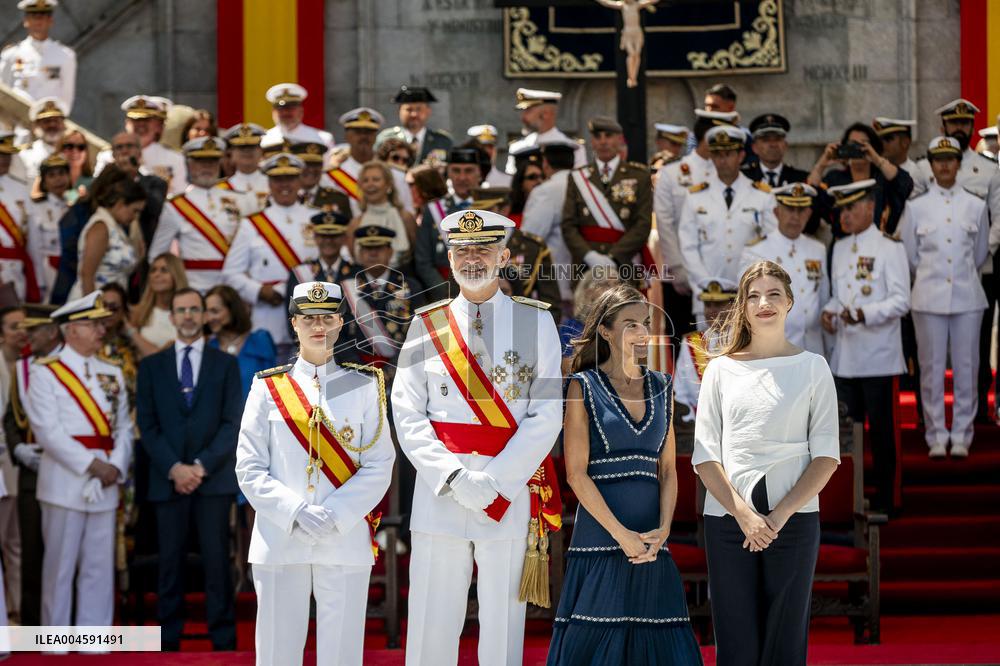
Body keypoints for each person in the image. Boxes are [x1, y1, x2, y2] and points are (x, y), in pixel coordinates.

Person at [392, 209, 562, 666]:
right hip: (441, 491)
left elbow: (547, 411)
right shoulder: (425, 324)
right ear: (449, 260)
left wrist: (495, 481)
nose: (472, 258)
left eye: (483, 249)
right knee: (431, 620)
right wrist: (453, 477)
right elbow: (406, 413)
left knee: (504, 625)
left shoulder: (537, 322)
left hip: (505, 493)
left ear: (504, 256)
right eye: (462, 250)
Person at [236, 280, 394, 666]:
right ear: (294, 324)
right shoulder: (267, 387)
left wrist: (335, 513)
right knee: (276, 652)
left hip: (343, 536)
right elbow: (249, 466)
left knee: (341, 653)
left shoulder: (364, 385)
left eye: (327, 317)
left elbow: (379, 463)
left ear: (341, 322)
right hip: (280, 535)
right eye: (309, 318)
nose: (318, 326)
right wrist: (295, 512)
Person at [693, 260, 840, 666]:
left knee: (785, 639)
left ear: (790, 302)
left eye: (774, 294)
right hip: (727, 521)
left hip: (793, 521)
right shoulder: (720, 370)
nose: (764, 303)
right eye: (753, 295)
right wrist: (743, 515)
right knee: (736, 641)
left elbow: (826, 454)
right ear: (742, 305)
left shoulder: (813, 367)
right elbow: (705, 455)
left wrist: (778, 517)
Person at [547, 284, 702, 665]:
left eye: (645, 324)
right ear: (606, 331)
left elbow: (667, 469)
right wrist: (622, 536)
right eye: (630, 325)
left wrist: (664, 529)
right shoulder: (583, 386)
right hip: (601, 538)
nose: (642, 333)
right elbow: (576, 475)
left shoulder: (663, 387)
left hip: (652, 540)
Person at [136, 287, 241, 651]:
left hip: (212, 479)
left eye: (195, 309)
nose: (188, 316)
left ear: (204, 315)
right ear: (172, 317)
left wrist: (199, 466)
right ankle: (168, 639)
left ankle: (224, 638)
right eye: (181, 310)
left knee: (216, 562)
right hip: (168, 480)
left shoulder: (225, 365)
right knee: (170, 562)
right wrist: (175, 468)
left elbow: (232, 423)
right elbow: (147, 425)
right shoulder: (151, 367)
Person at [25, 291, 132, 627]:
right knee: (59, 566)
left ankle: (94, 642)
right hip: (65, 480)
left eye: (101, 324)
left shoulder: (112, 371)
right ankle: (56, 645)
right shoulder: (45, 372)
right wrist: (93, 465)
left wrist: (115, 464)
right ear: (71, 330)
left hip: (107, 479)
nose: (101, 330)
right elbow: (47, 432)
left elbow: (126, 426)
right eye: (92, 324)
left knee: (98, 567)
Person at [821, 180, 909, 514]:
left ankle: (889, 500)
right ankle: (852, 499)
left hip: (879, 358)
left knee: (883, 435)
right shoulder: (840, 247)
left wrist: (865, 313)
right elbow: (837, 295)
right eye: (842, 209)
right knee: (846, 434)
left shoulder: (890, 247)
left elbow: (902, 300)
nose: (845, 215)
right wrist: (829, 313)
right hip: (845, 358)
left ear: (870, 208)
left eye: (851, 207)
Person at [900, 137, 989, 458]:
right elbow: (910, 256)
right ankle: (936, 435)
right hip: (928, 297)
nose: (945, 165)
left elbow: (979, 255)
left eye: (951, 159)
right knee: (931, 368)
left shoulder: (976, 205)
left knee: (967, 366)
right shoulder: (916, 207)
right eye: (939, 160)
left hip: (967, 297)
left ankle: (962, 435)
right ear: (931, 165)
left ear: (959, 163)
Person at [917, 100, 999, 425]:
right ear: (943, 128)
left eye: (965, 124)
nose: (960, 129)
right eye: (954, 124)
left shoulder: (990, 169)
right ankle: (930, 419)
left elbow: (997, 220)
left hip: (981, 271)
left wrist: (975, 258)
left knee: (975, 347)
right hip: (934, 273)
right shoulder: (924, 169)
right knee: (933, 353)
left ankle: (977, 413)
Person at [654, 110, 739, 349]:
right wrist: (679, 269)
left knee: (727, 343)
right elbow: (665, 224)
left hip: (724, 274)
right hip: (681, 278)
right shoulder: (672, 173)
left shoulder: (730, 174)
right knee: (686, 346)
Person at [222, 153, 318, 360]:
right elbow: (230, 273)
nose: (284, 185)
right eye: (277, 179)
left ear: (300, 180)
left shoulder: (317, 220)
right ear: (269, 183)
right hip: (268, 317)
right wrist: (259, 291)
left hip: (312, 314)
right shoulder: (252, 224)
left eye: (290, 178)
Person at [3, 303, 60, 627]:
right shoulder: (22, 368)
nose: (26, 335)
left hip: (64, 465)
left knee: (64, 552)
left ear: (51, 332)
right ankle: (32, 626)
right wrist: (18, 448)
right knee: (30, 550)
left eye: (33, 330)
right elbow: (11, 417)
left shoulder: (66, 367)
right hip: (30, 470)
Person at [678, 125, 778, 295]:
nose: (722, 160)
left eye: (728, 154)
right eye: (717, 154)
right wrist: (707, 284)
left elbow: (773, 242)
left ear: (741, 156)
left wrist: (758, 282)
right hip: (708, 294)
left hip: (751, 291)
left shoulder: (762, 195)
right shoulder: (695, 196)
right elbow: (688, 246)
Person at [740, 183, 829, 354]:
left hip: (813, 347)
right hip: (775, 350)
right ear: (776, 212)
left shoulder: (817, 249)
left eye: (801, 210)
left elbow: (823, 298)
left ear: (809, 214)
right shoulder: (756, 251)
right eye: (789, 209)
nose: (795, 216)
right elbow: (747, 304)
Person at [561, 116, 653, 279]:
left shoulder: (640, 176)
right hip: (585, 267)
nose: (603, 142)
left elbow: (643, 224)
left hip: (624, 265)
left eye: (608, 136)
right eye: (598, 137)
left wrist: (614, 257)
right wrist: (590, 257)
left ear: (619, 139)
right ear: (592, 142)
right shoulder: (577, 177)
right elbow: (568, 225)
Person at [149, 136, 244, 292]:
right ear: (190, 165)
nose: (207, 167)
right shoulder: (175, 206)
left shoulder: (238, 199)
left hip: (234, 288)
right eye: (200, 161)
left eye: (212, 161)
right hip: (194, 289)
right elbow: (157, 254)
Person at [808, 121, 913, 236]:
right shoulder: (835, 178)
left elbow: (905, 185)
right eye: (852, 144)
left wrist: (877, 159)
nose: (857, 148)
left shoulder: (883, 178)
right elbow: (811, 198)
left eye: (863, 144)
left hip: (879, 246)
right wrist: (821, 165)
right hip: (844, 246)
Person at [339, 225, 416, 370]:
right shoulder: (345, 289)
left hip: (400, 368)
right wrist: (356, 365)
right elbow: (336, 335)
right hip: (354, 368)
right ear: (360, 253)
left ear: (390, 251)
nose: (373, 253)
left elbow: (419, 331)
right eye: (367, 248)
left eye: (379, 248)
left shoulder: (410, 285)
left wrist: (393, 366)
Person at [413, 146, 485, 301]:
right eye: (456, 171)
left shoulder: (492, 208)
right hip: (445, 296)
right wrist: (447, 293)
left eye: (469, 170)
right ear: (448, 173)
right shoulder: (433, 210)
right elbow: (423, 261)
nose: (462, 177)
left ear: (480, 173)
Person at [521, 140, 578, 309]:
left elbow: (530, 238)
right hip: (587, 280)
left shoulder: (546, 191)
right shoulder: (587, 187)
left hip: (555, 283)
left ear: (545, 163)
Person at [69, 175, 146, 299]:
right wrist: (93, 310)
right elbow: (87, 275)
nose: (135, 217)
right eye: (135, 210)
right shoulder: (101, 227)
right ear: (121, 204)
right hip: (94, 302)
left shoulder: (115, 227)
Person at [327, 108, 413, 217]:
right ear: (347, 136)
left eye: (369, 132)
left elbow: (408, 213)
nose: (364, 137)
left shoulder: (395, 175)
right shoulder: (333, 174)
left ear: (375, 136)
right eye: (358, 132)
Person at [95, 96, 188, 196]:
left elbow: (180, 196)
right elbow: (98, 190)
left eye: (147, 120)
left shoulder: (175, 159)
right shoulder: (107, 157)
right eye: (136, 119)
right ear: (127, 124)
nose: (141, 125)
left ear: (159, 126)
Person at [674, 278, 736, 421]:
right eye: (708, 305)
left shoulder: (748, 341)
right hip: (699, 426)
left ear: (735, 306)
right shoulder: (691, 343)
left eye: (719, 304)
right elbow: (681, 392)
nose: (712, 311)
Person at [0, 0, 76, 111]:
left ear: (50, 21)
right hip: (19, 124)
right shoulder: (11, 54)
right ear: (26, 21)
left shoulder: (65, 55)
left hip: (48, 121)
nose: (38, 21)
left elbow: (67, 96)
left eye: (43, 16)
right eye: (34, 16)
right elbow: (3, 91)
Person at [205, 284, 277, 400]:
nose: (209, 318)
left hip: (258, 415)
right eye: (206, 312)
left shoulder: (260, 341)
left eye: (215, 311)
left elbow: (275, 387)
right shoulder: (209, 348)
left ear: (232, 310)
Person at [0, 306, 26, 623]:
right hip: (3, 460)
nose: (22, 331)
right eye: (14, 325)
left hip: (17, 464)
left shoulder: (25, 365)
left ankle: (18, 611)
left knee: (16, 540)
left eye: (25, 325)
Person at [104, 132, 169, 248]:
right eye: (119, 147)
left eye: (129, 146)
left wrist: (132, 177)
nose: (124, 151)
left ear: (139, 152)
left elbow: (155, 208)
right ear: (113, 155)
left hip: (144, 251)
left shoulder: (156, 183)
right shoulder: (104, 184)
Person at [0, 132, 41, 303]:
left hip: (17, 272)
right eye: (1, 155)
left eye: (8, 155)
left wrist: (39, 279)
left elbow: (33, 239)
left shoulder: (21, 189)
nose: (5, 160)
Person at [352, 160, 415, 268]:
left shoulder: (405, 218)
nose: (370, 184)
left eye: (376, 179)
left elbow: (417, 256)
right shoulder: (355, 223)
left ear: (388, 184)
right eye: (365, 180)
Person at [507, 88, 586, 173]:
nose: (523, 118)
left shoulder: (573, 148)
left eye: (528, 111)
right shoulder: (517, 148)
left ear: (546, 114)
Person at [28, 153, 70, 302]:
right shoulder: (37, 209)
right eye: (51, 175)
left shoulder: (72, 208)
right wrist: (39, 282)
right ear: (44, 182)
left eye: (62, 173)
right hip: (48, 272)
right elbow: (34, 249)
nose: (58, 179)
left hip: (70, 270)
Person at [128, 253, 186, 358]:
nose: (156, 274)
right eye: (153, 270)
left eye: (164, 270)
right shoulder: (138, 312)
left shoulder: (188, 313)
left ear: (176, 275)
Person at [378, 85, 453, 165]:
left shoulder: (443, 141)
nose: (414, 114)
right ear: (399, 111)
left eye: (419, 109)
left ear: (428, 111)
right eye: (409, 109)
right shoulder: (385, 139)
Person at [261, 83, 335, 154]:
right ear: (273, 112)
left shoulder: (323, 139)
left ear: (301, 111)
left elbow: (328, 166)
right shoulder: (263, 140)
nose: (286, 112)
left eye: (291, 108)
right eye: (281, 109)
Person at [742, 114, 809, 187]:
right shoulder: (744, 178)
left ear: (785, 146)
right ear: (754, 148)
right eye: (766, 140)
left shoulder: (801, 179)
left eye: (778, 139)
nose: (773, 144)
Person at [218, 122, 269, 214]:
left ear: (261, 151)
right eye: (241, 147)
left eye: (252, 147)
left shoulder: (273, 185)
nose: (247, 151)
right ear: (231, 153)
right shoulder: (221, 189)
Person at [16, 96, 67, 182]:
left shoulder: (72, 153)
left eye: (56, 121)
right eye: (47, 121)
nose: (52, 125)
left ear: (63, 125)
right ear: (36, 126)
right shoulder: (26, 154)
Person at [873, 117, 924, 197]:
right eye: (880, 140)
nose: (882, 144)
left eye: (888, 139)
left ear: (905, 142)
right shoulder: (876, 172)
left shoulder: (916, 174)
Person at [58, 128, 93, 203]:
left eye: (81, 147)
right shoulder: (48, 179)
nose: (75, 151)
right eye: (69, 146)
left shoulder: (93, 184)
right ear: (60, 149)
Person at [508, 158, 545, 227]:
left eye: (542, 177)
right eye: (533, 177)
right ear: (521, 183)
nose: (540, 181)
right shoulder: (511, 220)